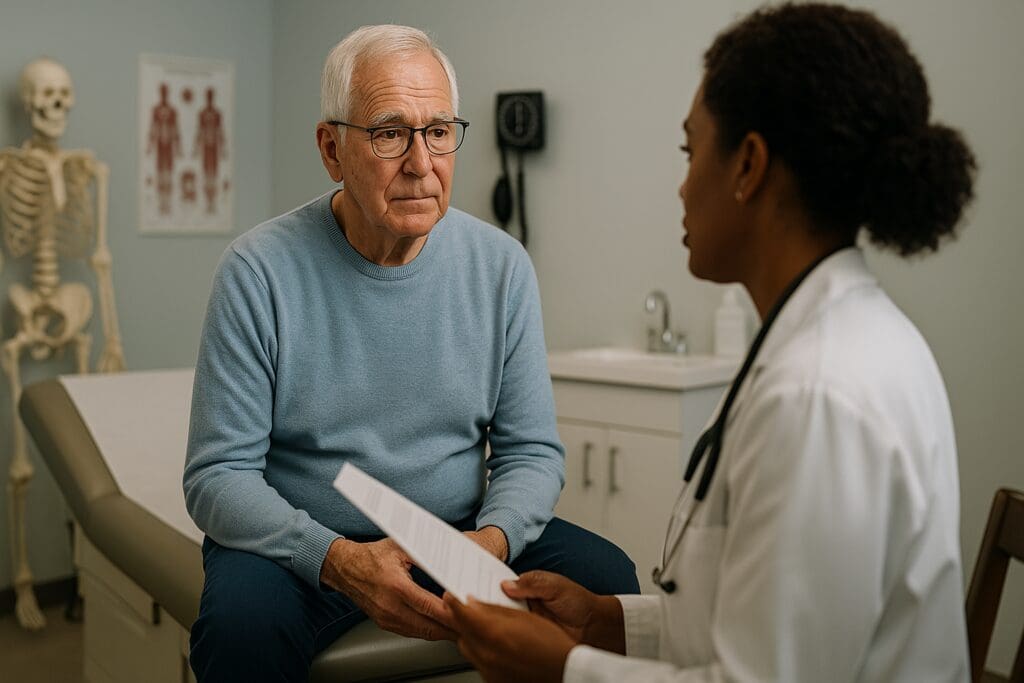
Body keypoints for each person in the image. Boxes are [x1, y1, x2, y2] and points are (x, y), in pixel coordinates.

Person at [443, 4, 977, 681]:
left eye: (690, 152)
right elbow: (755, 616)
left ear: (748, 166)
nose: (682, 184)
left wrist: (564, 667)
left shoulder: (821, 393)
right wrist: (607, 621)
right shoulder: (828, 337)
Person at [182, 25, 639, 683]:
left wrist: (489, 542)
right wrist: (337, 557)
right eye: (390, 133)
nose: (422, 162)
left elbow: (532, 452)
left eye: (440, 131)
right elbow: (217, 475)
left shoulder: (500, 267)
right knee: (239, 629)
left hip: (457, 532)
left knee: (609, 584)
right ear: (331, 148)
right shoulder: (259, 270)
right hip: (304, 543)